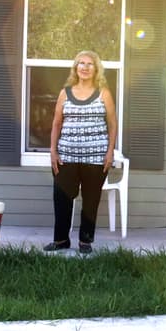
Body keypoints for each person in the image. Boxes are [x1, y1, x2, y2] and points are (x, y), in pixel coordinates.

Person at [46, 50, 117, 253]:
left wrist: (109, 152)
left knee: (91, 199)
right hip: (66, 156)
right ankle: (60, 240)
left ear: (96, 69)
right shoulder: (64, 93)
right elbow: (56, 124)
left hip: (96, 158)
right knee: (62, 199)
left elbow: (112, 124)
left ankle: (85, 241)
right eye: (81, 63)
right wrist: (53, 151)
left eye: (90, 64)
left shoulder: (104, 93)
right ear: (75, 68)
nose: (85, 67)